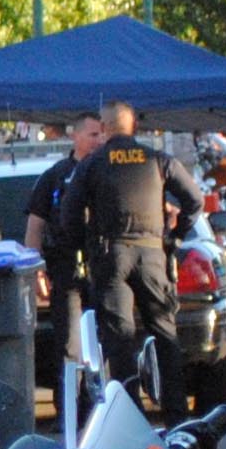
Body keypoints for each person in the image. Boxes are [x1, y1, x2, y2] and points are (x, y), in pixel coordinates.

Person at [74, 99, 195, 413]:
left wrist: (84, 248)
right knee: (165, 333)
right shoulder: (158, 160)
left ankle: (132, 416)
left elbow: (68, 213)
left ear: (104, 129)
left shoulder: (92, 163)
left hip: (111, 254)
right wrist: (175, 236)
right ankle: (177, 416)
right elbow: (194, 199)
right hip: (152, 254)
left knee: (120, 341)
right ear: (135, 127)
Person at [17, 114, 109, 394]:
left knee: (105, 343)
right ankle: (69, 409)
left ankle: (102, 407)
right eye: (93, 134)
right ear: (75, 136)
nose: (99, 140)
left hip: (104, 268)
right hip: (66, 268)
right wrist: (35, 270)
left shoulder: (110, 171)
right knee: (69, 344)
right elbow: (35, 226)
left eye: (102, 134)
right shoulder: (56, 175)